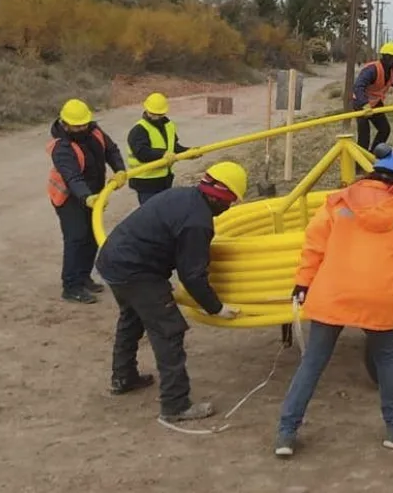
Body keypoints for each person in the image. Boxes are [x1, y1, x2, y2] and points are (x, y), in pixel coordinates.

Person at [274, 144, 393, 457]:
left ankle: (286, 433)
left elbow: (314, 245)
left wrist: (302, 282)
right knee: (386, 358)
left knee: (312, 363)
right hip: (376, 298)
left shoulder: (339, 203)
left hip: (332, 294)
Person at [94, 162, 246, 422]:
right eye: (230, 202)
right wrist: (216, 307)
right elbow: (193, 274)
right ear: (221, 198)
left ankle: (124, 377)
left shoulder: (184, 196)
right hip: (138, 272)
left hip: (113, 261)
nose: (228, 209)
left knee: (131, 320)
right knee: (169, 331)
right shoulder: (198, 223)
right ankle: (175, 405)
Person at [47, 98, 127, 304]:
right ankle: (71, 286)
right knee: (76, 238)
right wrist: (86, 197)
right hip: (69, 197)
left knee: (91, 237)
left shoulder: (95, 131)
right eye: (77, 125)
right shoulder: (61, 147)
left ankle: (84, 277)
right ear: (65, 124)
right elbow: (72, 176)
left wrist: (119, 170)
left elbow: (111, 150)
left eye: (84, 123)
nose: (82, 128)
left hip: (94, 194)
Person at [126, 92, 196, 205]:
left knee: (164, 213)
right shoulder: (139, 129)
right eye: (152, 113)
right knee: (151, 216)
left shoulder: (169, 126)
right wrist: (162, 154)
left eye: (159, 114)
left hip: (164, 180)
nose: (155, 117)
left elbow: (173, 147)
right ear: (146, 110)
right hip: (146, 183)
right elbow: (142, 153)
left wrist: (188, 152)